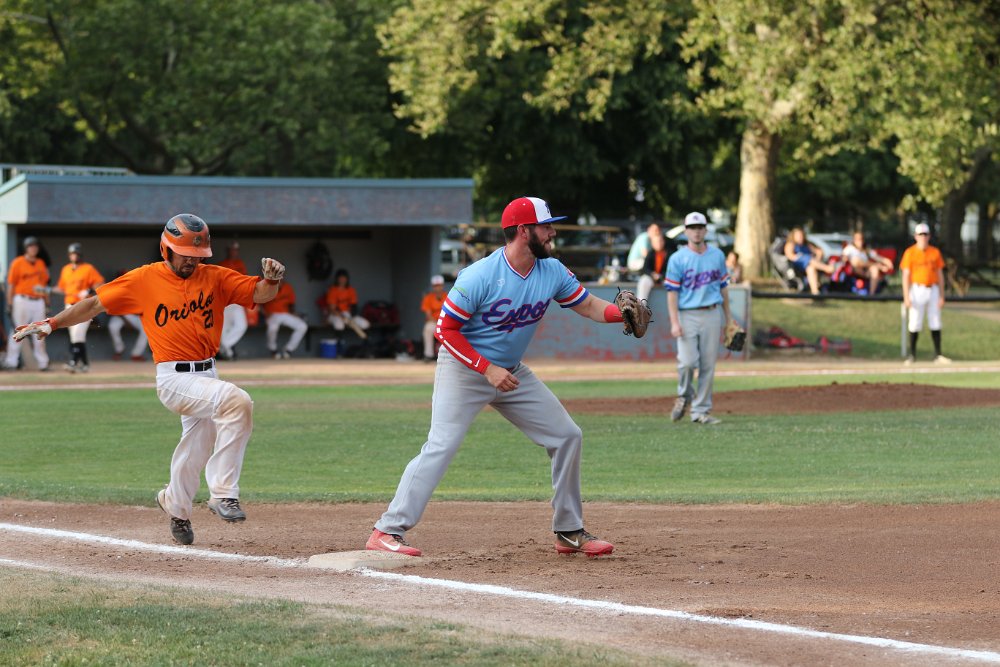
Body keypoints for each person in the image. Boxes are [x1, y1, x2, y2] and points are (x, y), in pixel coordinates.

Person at [366, 196, 629, 559]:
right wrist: (486, 369)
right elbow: (445, 330)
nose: (552, 232)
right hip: (464, 369)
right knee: (441, 444)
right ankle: (387, 529)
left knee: (567, 435)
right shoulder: (480, 275)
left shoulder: (551, 270)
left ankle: (569, 531)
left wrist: (621, 314)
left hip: (511, 372)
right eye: (545, 226)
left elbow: (587, 304)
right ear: (523, 231)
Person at [13, 214, 285, 545]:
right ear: (165, 249)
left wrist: (271, 280)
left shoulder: (215, 277)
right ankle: (224, 492)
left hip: (206, 374)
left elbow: (259, 294)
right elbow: (95, 304)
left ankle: (176, 505)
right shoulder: (145, 279)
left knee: (196, 446)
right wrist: (53, 323)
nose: (192, 260)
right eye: (184, 253)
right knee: (236, 401)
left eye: (197, 255)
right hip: (173, 378)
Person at [666, 212, 737, 425]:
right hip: (687, 314)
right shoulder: (677, 258)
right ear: (686, 231)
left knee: (708, 365)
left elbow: (723, 288)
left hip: (712, 313)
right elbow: (672, 293)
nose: (696, 231)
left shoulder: (717, 255)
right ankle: (684, 394)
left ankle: (700, 411)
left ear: (705, 230)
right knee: (687, 363)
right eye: (692, 227)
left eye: (699, 227)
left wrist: (729, 319)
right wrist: (674, 322)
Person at [38, 243, 105, 372]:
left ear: (80, 255)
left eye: (76, 254)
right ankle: (84, 365)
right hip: (69, 306)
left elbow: (101, 283)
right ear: (69, 255)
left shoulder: (88, 268)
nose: (74, 256)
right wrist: (47, 290)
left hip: (84, 306)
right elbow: (61, 288)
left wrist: (88, 290)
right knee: (76, 337)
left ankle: (73, 362)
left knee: (78, 334)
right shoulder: (66, 269)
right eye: (72, 254)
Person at [900, 223, 949, 364]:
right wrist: (906, 296)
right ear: (915, 236)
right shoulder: (910, 252)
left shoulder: (935, 252)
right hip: (917, 289)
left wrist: (942, 295)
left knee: (935, 321)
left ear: (929, 236)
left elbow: (940, 275)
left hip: (933, 289)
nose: (923, 237)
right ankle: (912, 355)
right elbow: (905, 276)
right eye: (920, 234)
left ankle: (938, 355)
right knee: (915, 322)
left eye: (925, 234)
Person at [4, 236, 51, 371]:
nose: (33, 248)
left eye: (35, 246)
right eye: (31, 246)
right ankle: (11, 362)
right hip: (22, 300)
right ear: (26, 248)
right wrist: (9, 303)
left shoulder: (41, 263)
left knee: (41, 330)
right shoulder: (17, 262)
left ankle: (43, 363)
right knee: (18, 330)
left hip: (38, 301)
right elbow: (11, 285)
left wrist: (47, 303)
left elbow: (44, 286)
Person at [217, 242, 249, 360]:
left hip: (237, 299)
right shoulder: (222, 265)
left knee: (241, 325)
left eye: (236, 250)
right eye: (232, 250)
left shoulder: (240, 264)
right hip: (225, 301)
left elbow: (244, 281)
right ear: (228, 251)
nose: (234, 252)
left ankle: (224, 346)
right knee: (224, 329)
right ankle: (228, 353)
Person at [262, 280, 308, 359]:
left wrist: (294, 313)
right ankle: (273, 349)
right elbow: (258, 304)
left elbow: (291, 304)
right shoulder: (265, 287)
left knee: (302, 326)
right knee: (273, 328)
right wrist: (265, 314)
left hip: (285, 314)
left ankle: (288, 349)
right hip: (272, 314)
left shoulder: (287, 287)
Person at [783, 228, 834, 295]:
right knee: (807, 258)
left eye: (802, 235)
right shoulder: (791, 244)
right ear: (793, 236)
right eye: (798, 236)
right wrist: (802, 257)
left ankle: (815, 291)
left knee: (811, 268)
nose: (801, 237)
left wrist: (817, 259)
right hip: (798, 265)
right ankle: (827, 268)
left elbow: (819, 252)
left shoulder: (806, 244)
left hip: (810, 265)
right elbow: (790, 256)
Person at [324, 268, 370, 340]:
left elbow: (353, 306)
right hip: (335, 315)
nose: (342, 280)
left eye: (344, 278)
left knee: (365, 324)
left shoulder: (351, 290)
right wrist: (342, 317)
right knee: (339, 324)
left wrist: (350, 318)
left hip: (347, 315)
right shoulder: (333, 290)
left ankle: (366, 341)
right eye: (340, 278)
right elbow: (332, 309)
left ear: (347, 279)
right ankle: (339, 342)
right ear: (337, 279)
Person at [842, 231, 893, 296]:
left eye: (861, 239)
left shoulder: (866, 250)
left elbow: (878, 258)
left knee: (874, 269)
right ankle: (879, 266)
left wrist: (887, 261)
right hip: (854, 269)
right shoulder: (849, 248)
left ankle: (871, 294)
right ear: (854, 240)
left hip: (866, 271)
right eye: (857, 239)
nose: (860, 241)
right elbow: (844, 258)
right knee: (856, 260)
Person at [636, 227, 674, 302]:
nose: (658, 244)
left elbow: (672, 270)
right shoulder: (650, 253)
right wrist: (652, 274)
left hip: (665, 278)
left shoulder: (669, 254)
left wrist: (661, 276)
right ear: (652, 243)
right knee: (644, 281)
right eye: (656, 242)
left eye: (660, 241)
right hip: (652, 278)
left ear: (663, 242)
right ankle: (641, 305)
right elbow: (645, 268)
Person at [420, 274, 447, 361]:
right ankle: (428, 355)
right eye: (435, 286)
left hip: (446, 322)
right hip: (434, 322)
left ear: (443, 285)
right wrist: (438, 322)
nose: (437, 288)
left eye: (439, 285)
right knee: (428, 328)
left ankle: (448, 356)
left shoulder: (448, 296)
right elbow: (428, 315)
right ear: (433, 287)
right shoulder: (428, 298)